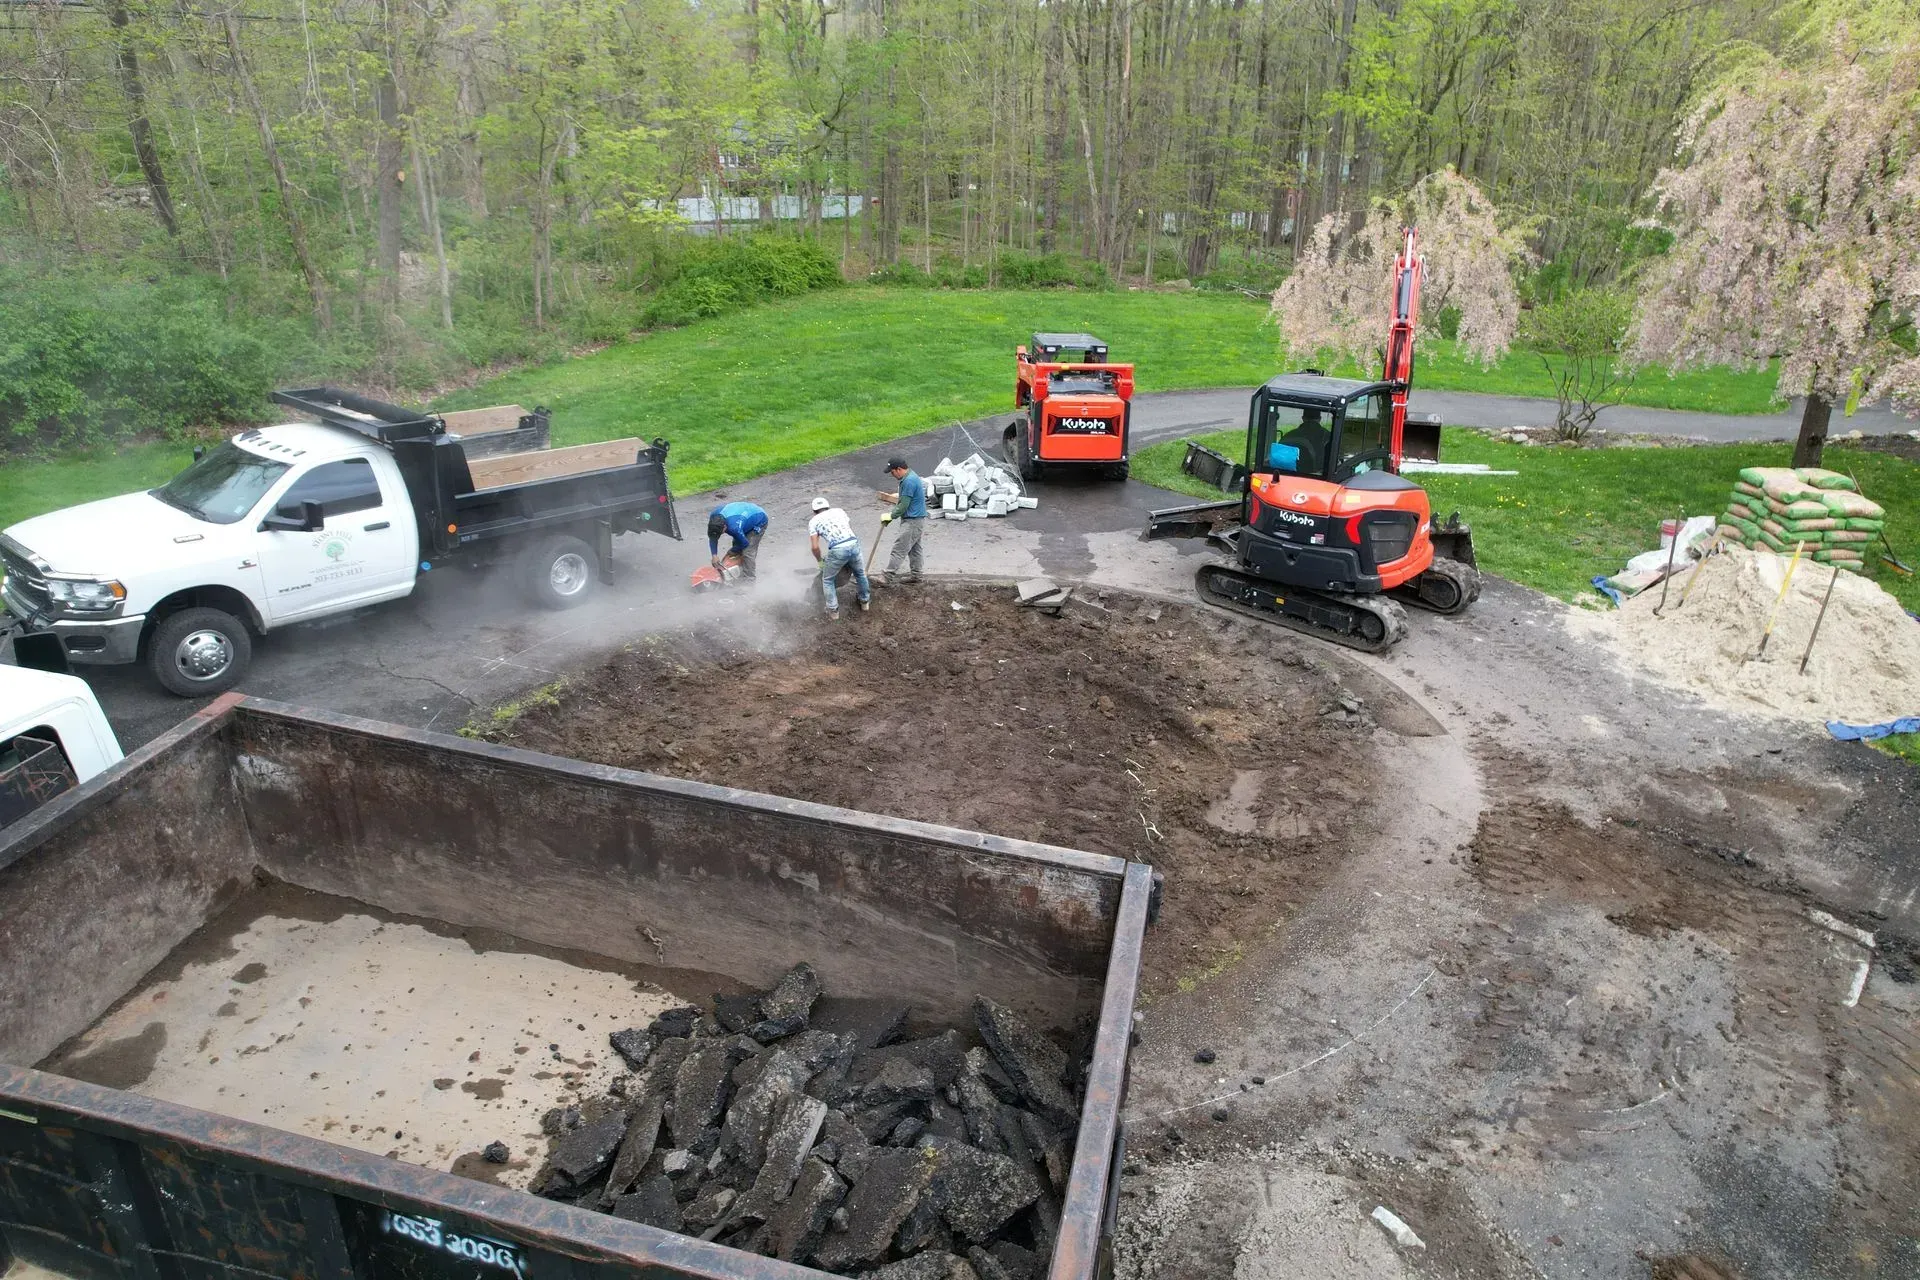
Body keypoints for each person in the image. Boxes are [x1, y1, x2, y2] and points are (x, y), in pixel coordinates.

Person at [807, 496, 870, 618]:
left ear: (814, 511)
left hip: (838, 549)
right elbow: (845, 528)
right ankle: (865, 603)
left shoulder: (814, 521)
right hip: (853, 543)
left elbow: (815, 547)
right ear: (828, 507)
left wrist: (820, 562)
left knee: (827, 580)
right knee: (860, 574)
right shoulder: (839, 511)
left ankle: (833, 611)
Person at [873, 456, 927, 586]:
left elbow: (904, 505)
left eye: (892, 472)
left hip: (912, 521)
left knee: (899, 548)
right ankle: (916, 576)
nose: (892, 475)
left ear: (898, 469)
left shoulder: (909, 481)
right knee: (915, 549)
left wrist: (891, 516)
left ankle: (887, 577)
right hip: (916, 519)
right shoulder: (910, 477)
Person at [706, 500, 768, 579]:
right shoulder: (714, 518)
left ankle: (749, 580)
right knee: (737, 546)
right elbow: (713, 536)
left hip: (759, 519)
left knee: (747, 552)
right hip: (742, 517)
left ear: (725, 526)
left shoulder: (734, 527)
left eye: (720, 533)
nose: (719, 535)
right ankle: (739, 570)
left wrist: (731, 552)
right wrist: (714, 555)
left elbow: (744, 543)